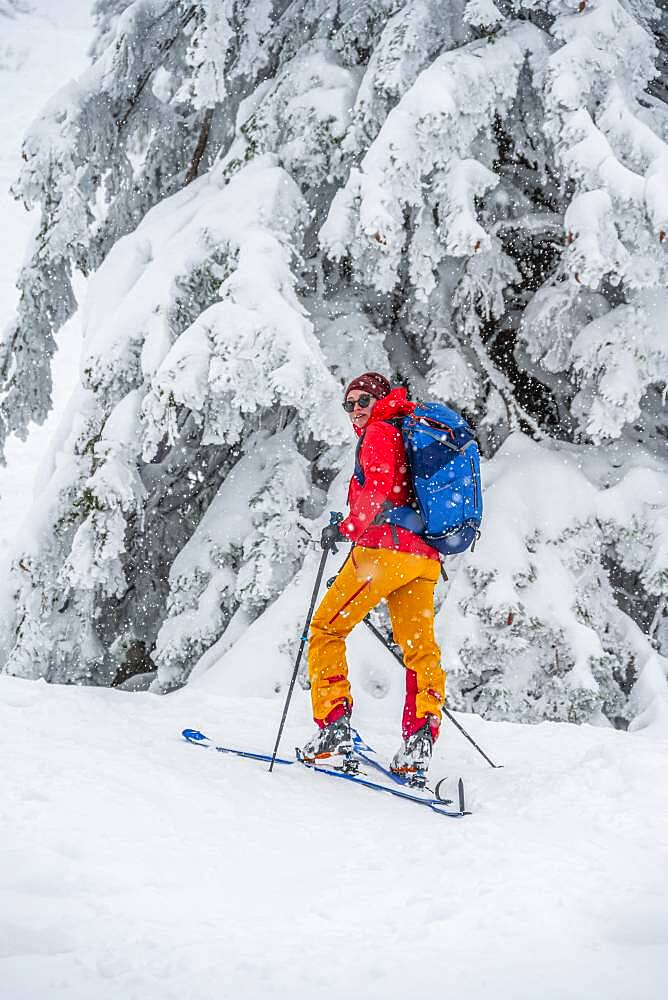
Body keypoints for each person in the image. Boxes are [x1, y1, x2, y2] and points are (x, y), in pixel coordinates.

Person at [301, 372, 445, 777]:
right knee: (420, 649)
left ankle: (332, 727)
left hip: (383, 552)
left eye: (363, 400)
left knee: (326, 630)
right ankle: (420, 737)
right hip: (423, 558)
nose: (356, 410)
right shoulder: (408, 430)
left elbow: (378, 486)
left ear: (380, 400)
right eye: (349, 404)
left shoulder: (381, 432)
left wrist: (346, 528)